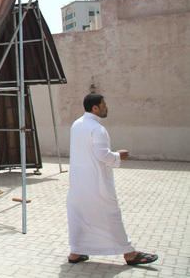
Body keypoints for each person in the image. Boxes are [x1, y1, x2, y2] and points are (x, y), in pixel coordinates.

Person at [66, 94, 158, 266]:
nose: (106, 107)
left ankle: (76, 252)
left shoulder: (76, 124)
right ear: (95, 108)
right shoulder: (97, 129)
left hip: (78, 184)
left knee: (79, 216)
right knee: (111, 215)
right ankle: (130, 253)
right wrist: (119, 156)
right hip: (97, 183)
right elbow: (103, 155)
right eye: (104, 104)